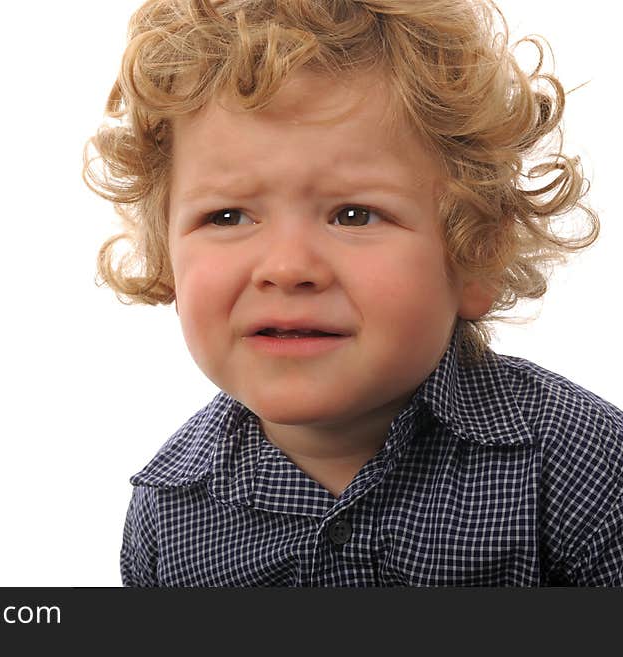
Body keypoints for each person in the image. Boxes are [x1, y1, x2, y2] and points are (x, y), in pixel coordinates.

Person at [83, 0, 622, 586]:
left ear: (476, 255)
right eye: (229, 216)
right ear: (166, 255)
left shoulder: (580, 465)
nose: (287, 268)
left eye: (354, 215)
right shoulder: (168, 516)